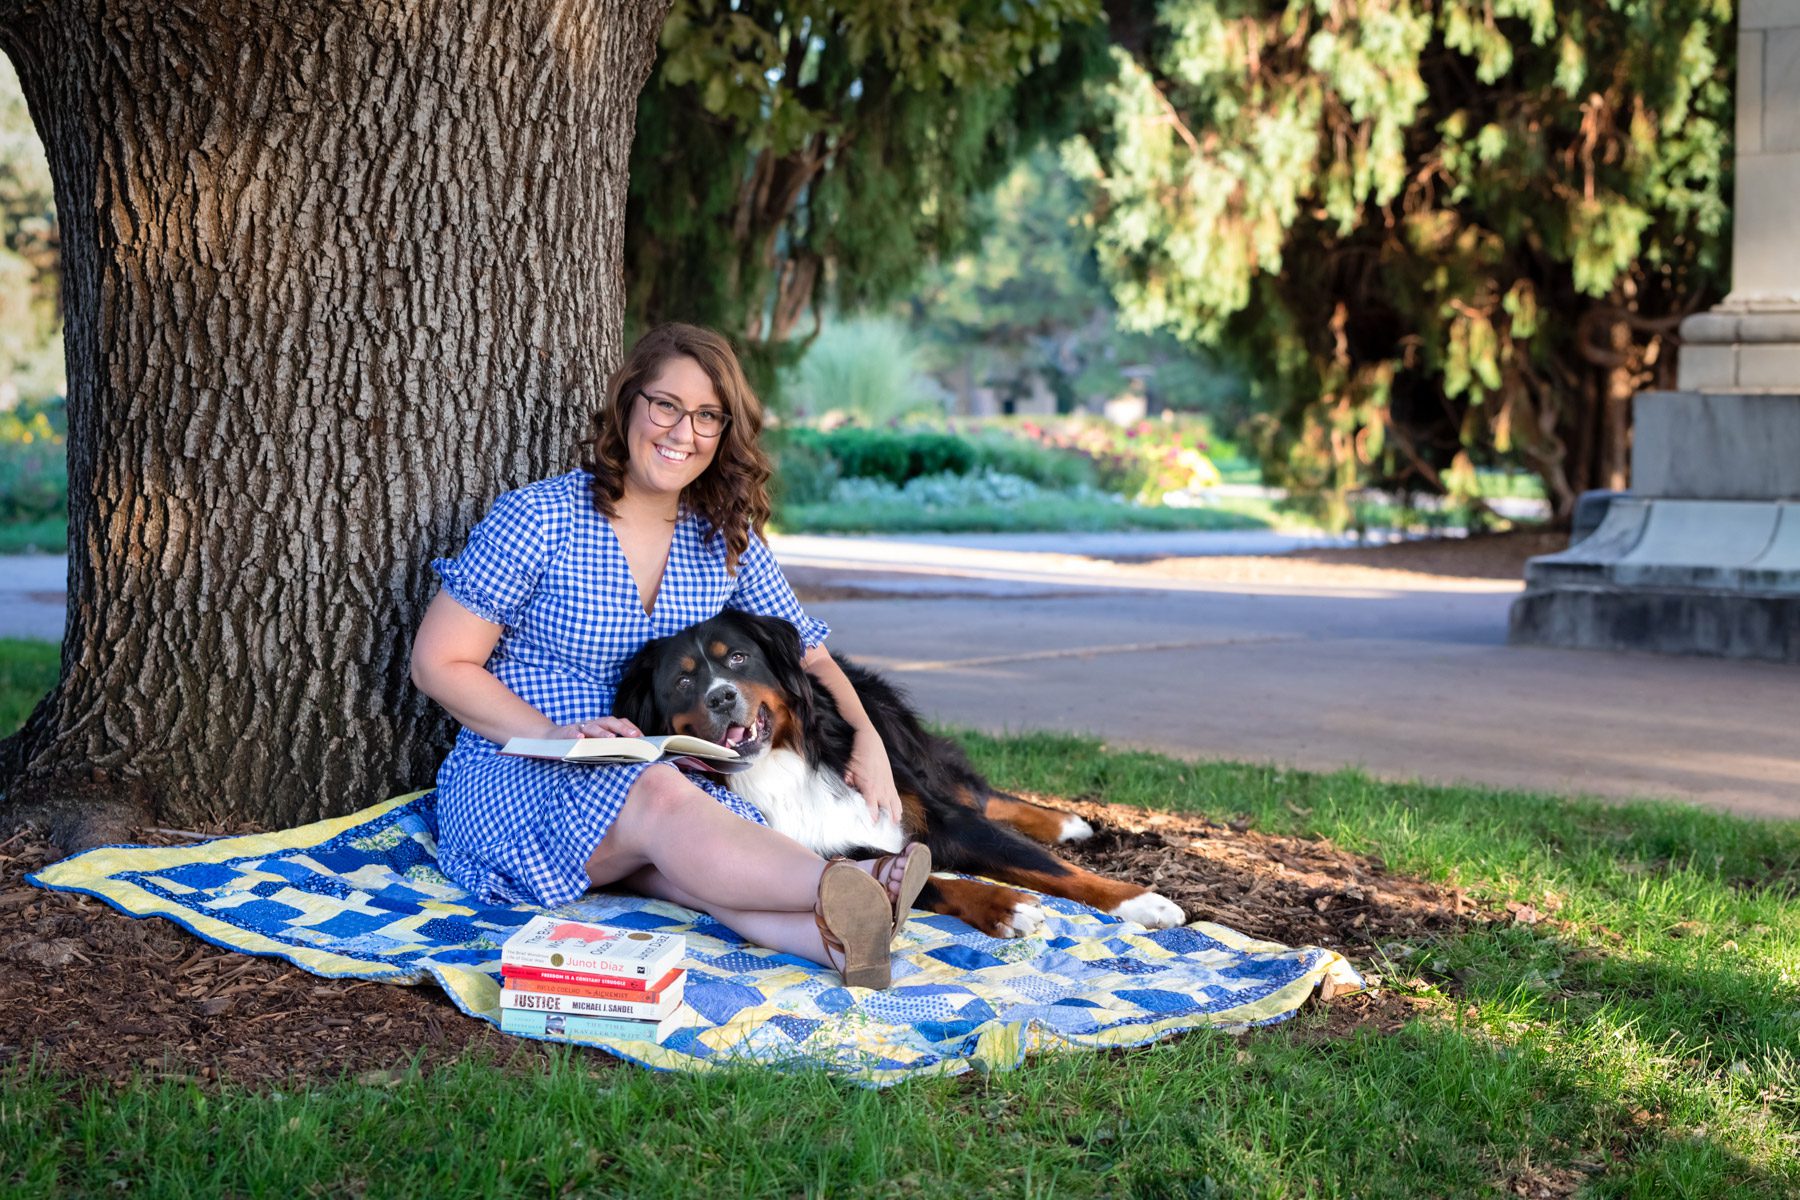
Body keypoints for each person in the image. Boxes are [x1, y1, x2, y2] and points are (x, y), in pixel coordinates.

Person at [410, 323, 931, 989]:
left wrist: (870, 745)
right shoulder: (539, 519)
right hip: (522, 772)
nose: (682, 432)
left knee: (681, 860)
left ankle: (839, 947)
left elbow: (812, 657)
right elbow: (439, 663)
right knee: (659, 795)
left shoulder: (723, 539)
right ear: (629, 402)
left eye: (707, 416)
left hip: (664, 779)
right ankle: (857, 883)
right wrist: (552, 735)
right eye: (666, 406)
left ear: (724, 434)